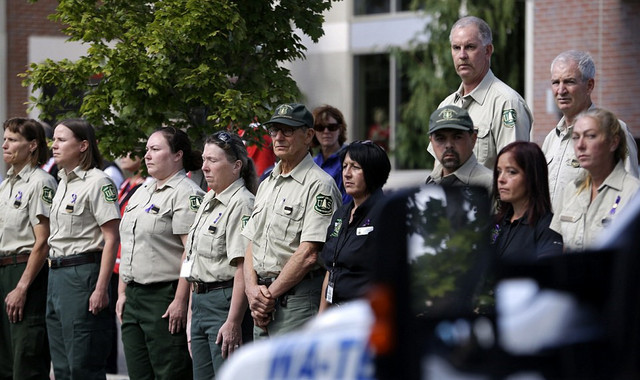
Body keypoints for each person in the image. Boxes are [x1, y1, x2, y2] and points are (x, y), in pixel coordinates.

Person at [242, 103, 341, 339]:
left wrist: (267, 297)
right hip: (262, 301)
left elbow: (309, 253)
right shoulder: (267, 183)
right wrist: (252, 292)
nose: (278, 137)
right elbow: (250, 243)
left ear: (308, 135)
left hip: (295, 302)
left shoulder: (319, 184)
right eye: (274, 130)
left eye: (287, 130)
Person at [117, 127, 204, 379]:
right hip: (133, 295)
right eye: (146, 150)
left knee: (169, 371)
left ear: (177, 155)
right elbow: (130, 243)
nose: (147, 155)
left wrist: (180, 300)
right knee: (138, 372)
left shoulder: (186, 194)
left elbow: (191, 252)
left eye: (155, 149)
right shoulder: (142, 191)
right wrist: (122, 292)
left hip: (163, 296)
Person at [46, 118, 121, 379]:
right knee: (62, 365)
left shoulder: (98, 182)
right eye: (54, 139)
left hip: (82, 273)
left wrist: (101, 288)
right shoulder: (63, 181)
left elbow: (111, 237)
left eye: (61, 140)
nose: (54, 145)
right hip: (56, 274)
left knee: (82, 364)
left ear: (83, 145)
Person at [182, 131, 257, 378]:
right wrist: (193, 312)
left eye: (213, 160)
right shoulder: (209, 199)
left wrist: (234, 320)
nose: (204, 167)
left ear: (236, 166)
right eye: (204, 159)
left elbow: (242, 267)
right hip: (201, 301)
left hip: (224, 303)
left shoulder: (242, 203)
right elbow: (194, 260)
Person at [429, 16, 532, 171]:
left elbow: (515, 172)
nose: (462, 55)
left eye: (470, 47)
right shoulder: (446, 105)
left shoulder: (507, 103)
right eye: (456, 48)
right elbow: (438, 171)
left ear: (488, 51)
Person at [542, 50, 639, 212]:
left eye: (569, 81)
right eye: (555, 82)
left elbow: (630, 197)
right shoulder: (551, 139)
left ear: (589, 86)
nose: (560, 90)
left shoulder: (613, 131)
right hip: (550, 235)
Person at [0, 118, 57, 379]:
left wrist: (22, 287)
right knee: (6, 359)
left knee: (27, 357)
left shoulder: (40, 182)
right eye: (4, 139)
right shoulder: (6, 185)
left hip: (25, 272)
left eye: (12, 140)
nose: (5, 145)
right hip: (4, 271)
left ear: (32, 145)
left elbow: (42, 241)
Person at [550, 108, 640, 251]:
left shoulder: (633, 194)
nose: (580, 145)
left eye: (590, 136)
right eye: (575, 137)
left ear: (613, 142)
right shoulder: (571, 190)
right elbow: (562, 248)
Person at [318, 140, 391, 311]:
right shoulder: (341, 214)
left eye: (355, 167)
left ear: (373, 172)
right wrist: (321, 317)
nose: (347, 174)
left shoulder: (385, 214)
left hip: (366, 315)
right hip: (336, 312)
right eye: (344, 166)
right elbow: (331, 269)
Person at [106, 153, 147, 374]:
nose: (122, 157)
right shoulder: (124, 184)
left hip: (129, 262)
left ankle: (112, 368)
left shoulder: (143, 187)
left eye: (130, 152)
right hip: (116, 262)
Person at [492, 141, 563, 261]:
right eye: (499, 172)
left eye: (511, 172)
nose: (501, 179)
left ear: (532, 176)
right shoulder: (496, 221)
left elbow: (549, 274)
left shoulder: (548, 227)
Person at [425, 105, 493, 194]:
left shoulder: (490, 184)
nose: (449, 145)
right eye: (440, 139)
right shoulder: (431, 181)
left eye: (457, 137)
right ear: (431, 142)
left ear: (473, 139)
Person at [312, 105, 351, 204]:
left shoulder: (352, 159)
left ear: (340, 129)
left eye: (331, 127)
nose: (326, 132)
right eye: (320, 127)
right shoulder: (312, 163)